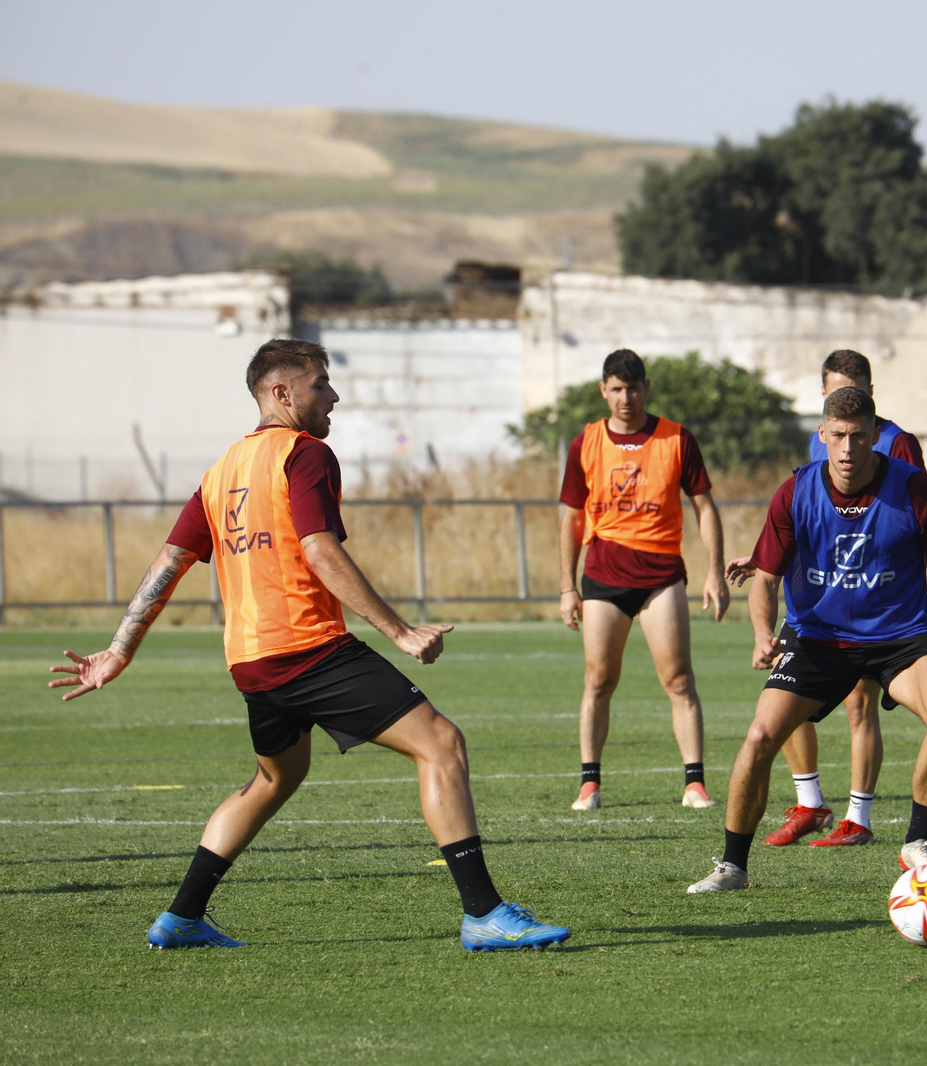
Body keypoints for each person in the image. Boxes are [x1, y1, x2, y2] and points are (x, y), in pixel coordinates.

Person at [48, 339, 568, 952]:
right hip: (307, 649)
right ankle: (483, 913)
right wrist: (400, 631)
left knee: (274, 778)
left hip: (251, 661)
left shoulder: (220, 473)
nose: (333, 396)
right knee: (441, 743)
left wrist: (119, 648)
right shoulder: (305, 454)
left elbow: (171, 560)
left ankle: (181, 918)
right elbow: (319, 549)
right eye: (321, 384)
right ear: (281, 393)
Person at [687, 386, 927, 893]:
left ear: (875, 437)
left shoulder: (915, 490)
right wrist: (761, 634)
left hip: (901, 637)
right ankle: (733, 866)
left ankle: (916, 842)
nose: (847, 448)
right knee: (758, 738)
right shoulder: (796, 491)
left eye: (859, 436)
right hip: (818, 639)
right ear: (822, 435)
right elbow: (766, 578)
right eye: (838, 436)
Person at [727, 349, 926, 849]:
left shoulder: (897, 443)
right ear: (823, 402)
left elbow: (902, 523)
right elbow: (804, 519)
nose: (847, 443)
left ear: (871, 395)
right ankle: (811, 803)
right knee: (789, 703)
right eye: (836, 389)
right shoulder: (821, 442)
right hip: (814, 603)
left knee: (861, 706)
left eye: (855, 388)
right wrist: (761, 563)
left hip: (871, 605)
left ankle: (858, 816)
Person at [558, 349, 730, 811]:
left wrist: (715, 571)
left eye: (633, 388)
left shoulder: (677, 438)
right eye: (616, 388)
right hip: (603, 577)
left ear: (646, 388)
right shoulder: (586, 443)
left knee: (678, 680)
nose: (625, 398)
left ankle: (694, 783)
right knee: (598, 680)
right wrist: (567, 586)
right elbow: (571, 518)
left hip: (661, 577)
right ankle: (589, 784)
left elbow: (704, 507)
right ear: (603, 391)